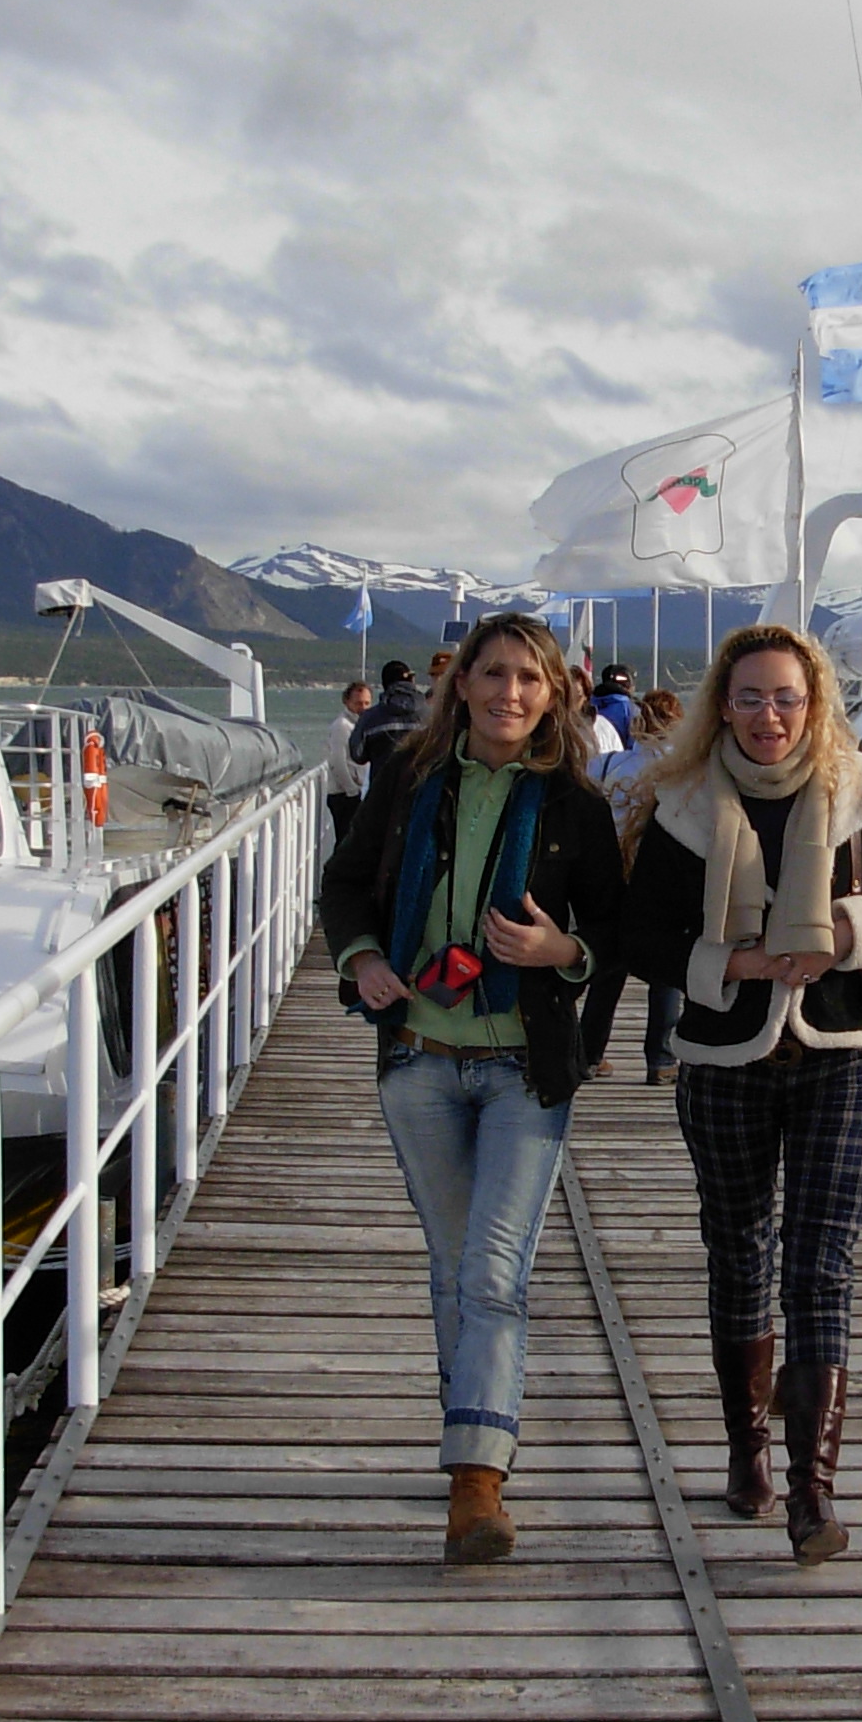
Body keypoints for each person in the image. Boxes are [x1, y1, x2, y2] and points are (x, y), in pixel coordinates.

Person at [618, 626, 862, 1562]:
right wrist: (736, 962)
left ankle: (812, 1494)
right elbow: (640, 935)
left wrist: (847, 928)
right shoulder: (680, 805)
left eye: (787, 698)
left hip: (834, 1048)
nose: (769, 715)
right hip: (723, 1056)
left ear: (815, 702)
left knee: (821, 1266)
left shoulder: (860, 794)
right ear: (724, 702)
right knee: (740, 1255)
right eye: (751, 697)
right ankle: (747, 1448)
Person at [317, 613, 623, 1564]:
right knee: (455, 1269)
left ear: (553, 694)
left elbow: (614, 935)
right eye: (494, 675)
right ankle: (471, 1447)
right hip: (417, 1054)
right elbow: (347, 884)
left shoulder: (573, 802)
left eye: (530, 679)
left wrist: (559, 950)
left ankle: (477, 1482)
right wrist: (364, 957)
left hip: (520, 1065)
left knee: (493, 1271)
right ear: (464, 687)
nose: (510, 694)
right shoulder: (408, 783)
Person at [581, 689, 683, 1083]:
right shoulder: (682, 770)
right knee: (666, 977)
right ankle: (660, 1060)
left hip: (612, 876)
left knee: (607, 972)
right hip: (660, 880)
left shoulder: (606, 765)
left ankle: (589, 1054)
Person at [346, 660, 422, 792]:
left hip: (382, 794)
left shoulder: (370, 717)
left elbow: (357, 754)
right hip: (421, 792)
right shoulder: (434, 715)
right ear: (411, 682)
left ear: (385, 684)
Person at [324, 678, 372, 843]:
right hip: (344, 795)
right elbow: (337, 762)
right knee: (346, 841)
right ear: (346, 701)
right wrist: (352, 791)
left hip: (356, 792)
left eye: (367, 703)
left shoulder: (361, 726)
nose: (363, 708)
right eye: (358, 703)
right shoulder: (342, 726)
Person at [590, 662, 638, 752]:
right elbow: (634, 746)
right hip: (619, 762)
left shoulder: (587, 704)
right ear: (631, 686)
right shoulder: (631, 709)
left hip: (589, 759)